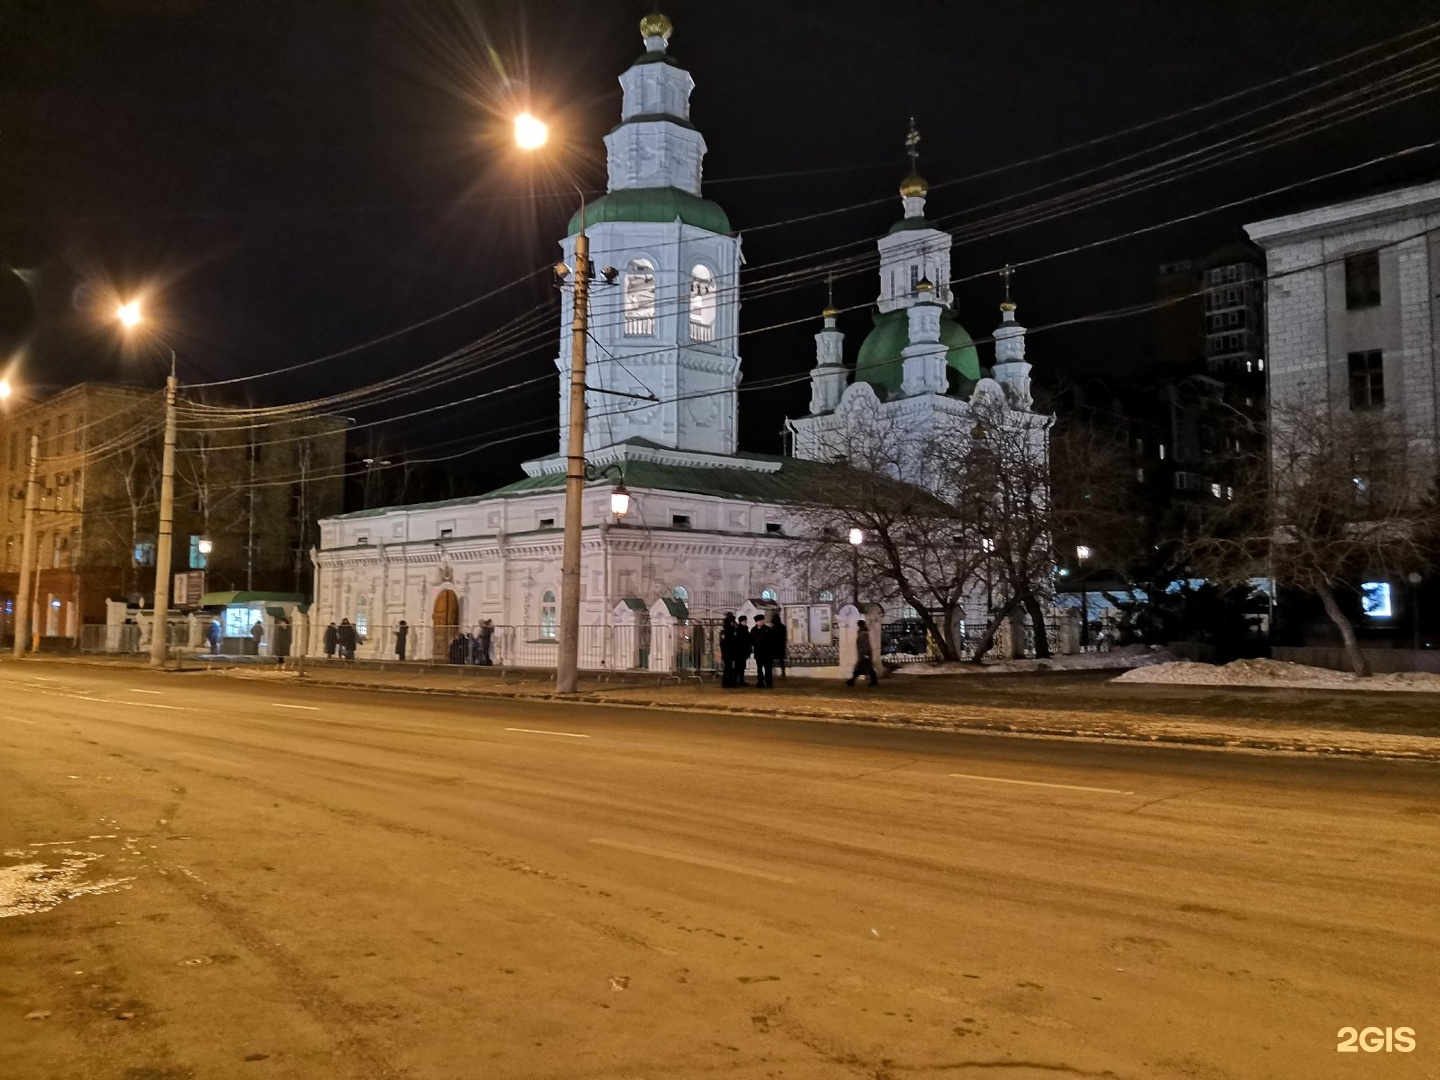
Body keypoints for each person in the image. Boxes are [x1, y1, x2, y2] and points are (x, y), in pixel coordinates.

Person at [846, 619, 879, 687]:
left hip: (864, 654)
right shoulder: (864, 633)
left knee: (860, 668)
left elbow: (865, 645)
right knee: (868, 668)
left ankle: (852, 681)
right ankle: (873, 681)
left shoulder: (863, 634)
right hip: (865, 654)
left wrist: (866, 654)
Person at [751, 613, 774, 689]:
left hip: (767, 652)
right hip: (758, 652)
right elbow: (752, 641)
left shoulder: (768, 629)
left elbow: (772, 641)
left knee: (768, 668)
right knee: (759, 668)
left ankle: (769, 682)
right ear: (756, 622)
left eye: (762, 620)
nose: (762, 622)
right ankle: (760, 682)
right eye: (760, 621)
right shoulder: (753, 630)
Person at [733, 615, 752, 687]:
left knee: (741, 667)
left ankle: (740, 680)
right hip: (740, 652)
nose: (746, 622)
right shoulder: (741, 630)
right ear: (741, 621)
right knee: (739, 667)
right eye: (745, 621)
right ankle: (737, 680)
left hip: (742, 652)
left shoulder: (742, 629)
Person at [719, 613, 737, 687]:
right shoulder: (730, 631)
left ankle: (727, 682)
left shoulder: (725, 631)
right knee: (728, 667)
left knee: (728, 667)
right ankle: (728, 682)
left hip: (726, 652)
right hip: (729, 652)